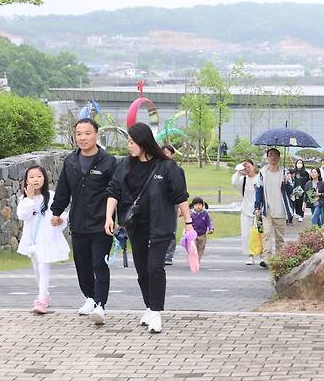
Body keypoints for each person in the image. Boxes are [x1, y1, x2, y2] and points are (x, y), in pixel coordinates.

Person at [105, 122, 192, 333]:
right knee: (142, 271)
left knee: (155, 268)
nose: (129, 145)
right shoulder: (124, 165)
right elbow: (113, 191)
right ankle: (149, 307)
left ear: (144, 143)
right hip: (135, 226)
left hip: (160, 225)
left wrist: (189, 223)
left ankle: (156, 311)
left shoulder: (167, 167)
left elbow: (180, 197)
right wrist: (109, 217)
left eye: (132, 141)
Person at [50, 118, 117, 325]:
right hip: (78, 222)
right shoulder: (71, 160)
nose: (83, 137)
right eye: (79, 133)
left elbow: (115, 191)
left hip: (102, 223)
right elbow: (63, 189)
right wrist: (56, 211)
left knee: (99, 263)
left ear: (96, 135)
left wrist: (114, 219)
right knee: (82, 264)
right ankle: (89, 297)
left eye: (87, 133)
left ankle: (100, 305)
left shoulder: (108, 161)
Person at [16, 165, 70, 314]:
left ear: (44, 178)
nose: (36, 179)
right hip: (32, 239)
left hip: (46, 238)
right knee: (36, 268)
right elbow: (22, 216)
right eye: (32, 177)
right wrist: (30, 199)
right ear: (26, 180)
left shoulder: (52, 196)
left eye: (39, 176)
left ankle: (41, 299)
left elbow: (61, 213)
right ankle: (44, 294)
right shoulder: (24, 198)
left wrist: (59, 220)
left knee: (43, 265)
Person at [254, 148, 294, 269]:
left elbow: (291, 191)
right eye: (270, 155)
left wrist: (286, 183)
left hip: (281, 210)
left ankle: (280, 257)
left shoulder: (284, 172)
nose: (273, 157)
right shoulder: (262, 173)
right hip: (267, 209)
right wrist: (257, 206)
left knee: (279, 237)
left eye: (275, 155)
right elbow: (259, 190)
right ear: (267, 157)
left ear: (279, 157)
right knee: (266, 234)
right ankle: (267, 258)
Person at [161, 145, 185, 266]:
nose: (165, 155)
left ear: (172, 154)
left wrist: (181, 207)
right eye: (163, 152)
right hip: (159, 203)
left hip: (173, 203)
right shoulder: (156, 168)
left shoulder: (178, 170)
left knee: (171, 230)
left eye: (167, 153)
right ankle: (160, 253)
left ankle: (168, 255)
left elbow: (182, 191)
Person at [231, 159, 258, 265]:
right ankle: (250, 256)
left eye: (249, 167)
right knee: (247, 234)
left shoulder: (260, 179)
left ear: (253, 167)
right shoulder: (243, 180)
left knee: (260, 234)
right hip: (246, 210)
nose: (247, 169)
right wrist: (238, 169)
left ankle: (263, 255)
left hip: (259, 211)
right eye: (245, 167)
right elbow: (234, 182)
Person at [291, 159, 309, 223]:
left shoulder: (305, 173)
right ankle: (297, 213)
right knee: (295, 203)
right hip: (295, 190)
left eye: (301, 163)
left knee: (301, 203)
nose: (299, 164)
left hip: (302, 190)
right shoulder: (293, 172)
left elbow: (308, 182)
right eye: (298, 163)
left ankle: (301, 215)